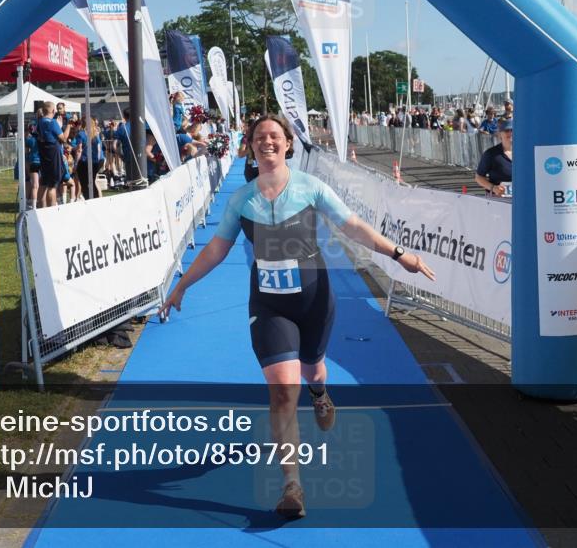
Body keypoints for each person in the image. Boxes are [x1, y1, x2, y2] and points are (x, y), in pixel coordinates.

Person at [159, 115, 434, 519]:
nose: (266, 142)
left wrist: (398, 254)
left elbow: (354, 227)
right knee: (283, 390)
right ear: (250, 146)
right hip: (270, 306)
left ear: (288, 144)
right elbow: (216, 249)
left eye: (274, 137)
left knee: (313, 373)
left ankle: (321, 394)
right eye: (258, 138)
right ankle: (292, 485)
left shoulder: (310, 188)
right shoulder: (243, 198)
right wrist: (183, 284)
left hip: (314, 301)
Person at [36, 101, 71, 208]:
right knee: (52, 186)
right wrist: (68, 126)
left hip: (44, 156)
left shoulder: (40, 122)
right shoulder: (52, 122)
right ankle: (52, 211)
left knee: (44, 184)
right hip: (53, 156)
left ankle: (40, 209)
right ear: (52, 110)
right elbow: (63, 138)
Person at [474, 118, 513, 197]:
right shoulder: (491, 154)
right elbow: (479, 177)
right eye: (506, 131)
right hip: (498, 201)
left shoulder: (525, 153)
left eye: (513, 130)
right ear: (499, 134)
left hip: (522, 199)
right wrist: (493, 188)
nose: (510, 133)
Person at [74, 118, 105, 200]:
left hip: (84, 162)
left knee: (85, 184)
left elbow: (79, 150)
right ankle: (96, 198)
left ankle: (89, 199)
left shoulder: (81, 134)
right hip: (95, 161)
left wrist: (76, 164)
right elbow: (99, 149)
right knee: (93, 182)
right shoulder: (95, 134)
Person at [25, 123, 40, 209]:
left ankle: (34, 206)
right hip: (41, 163)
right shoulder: (42, 139)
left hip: (33, 162)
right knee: (40, 185)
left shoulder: (29, 140)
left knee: (35, 185)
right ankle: (37, 205)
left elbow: (26, 153)